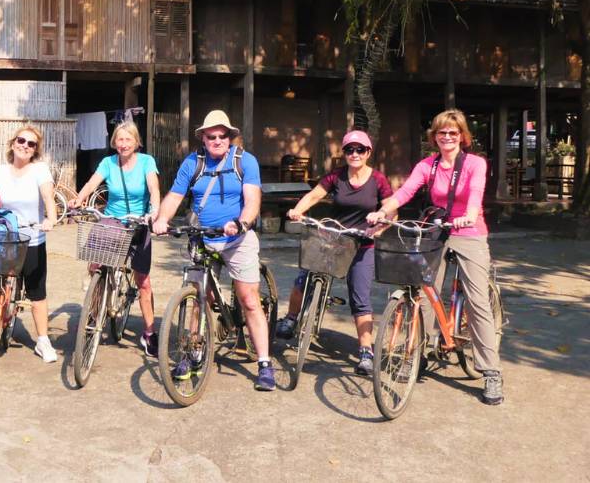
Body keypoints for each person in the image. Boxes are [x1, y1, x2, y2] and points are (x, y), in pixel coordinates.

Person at [367, 109, 503, 406]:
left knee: (477, 298)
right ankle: (419, 354)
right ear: (434, 137)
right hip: (437, 229)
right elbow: (405, 192)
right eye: (442, 133)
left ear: (462, 137)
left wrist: (468, 216)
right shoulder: (427, 165)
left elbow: (476, 194)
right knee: (424, 293)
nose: (447, 137)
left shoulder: (475, 164)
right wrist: (383, 210)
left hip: (469, 231)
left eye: (453, 133)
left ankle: (490, 370)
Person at [152, 110, 275, 391]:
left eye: (223, 136)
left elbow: (252, 200)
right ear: (203, 138)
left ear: (230, 138)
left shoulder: (246, 162)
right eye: (212, 136)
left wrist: (241, 222)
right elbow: (175, 195)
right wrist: (162, 219)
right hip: (202, 237)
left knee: (249, 300)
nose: (217, 140)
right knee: (198, 298)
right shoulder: (192, 163)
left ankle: (265, 363)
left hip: (236, 238)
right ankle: (193, 351)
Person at [279, 130, 393, 376]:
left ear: (368, 153)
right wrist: (297, 210)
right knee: (304, 275)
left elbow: (391, 211)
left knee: (360, 297)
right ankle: (290, 318)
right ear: (344, 153)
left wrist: (380, 229)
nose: (354, 154)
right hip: (335, 239)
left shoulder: (378, 180)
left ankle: (365, 351)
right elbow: (314, 195)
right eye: (349, 150)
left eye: (360, 149)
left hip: (362, 244)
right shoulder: (336, 177)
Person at [0, 124, 58, 362]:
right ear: (13, 143)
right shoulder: (1, 171)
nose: (24, 146)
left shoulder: (40, 170)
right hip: (5, 237)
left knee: (37, 292)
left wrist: (50, 218)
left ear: (35, 150)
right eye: (21, 141)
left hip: (31, 237)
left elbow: (48, 197)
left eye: (31, 144)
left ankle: (43, 341)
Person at [70, 122, 161, 356]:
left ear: (136, 142)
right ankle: (95, 304)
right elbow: (92, 182)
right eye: (119, 140)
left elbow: (154, 189)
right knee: (96, 260)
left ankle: (149, 333)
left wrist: (154, 212)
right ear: (114, 143)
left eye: (128, 139)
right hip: (113, 220)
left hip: (138, 222)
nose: (123, 144)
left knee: (144, 282)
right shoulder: (108, 163)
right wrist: (79, 199)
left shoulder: (146, 162)